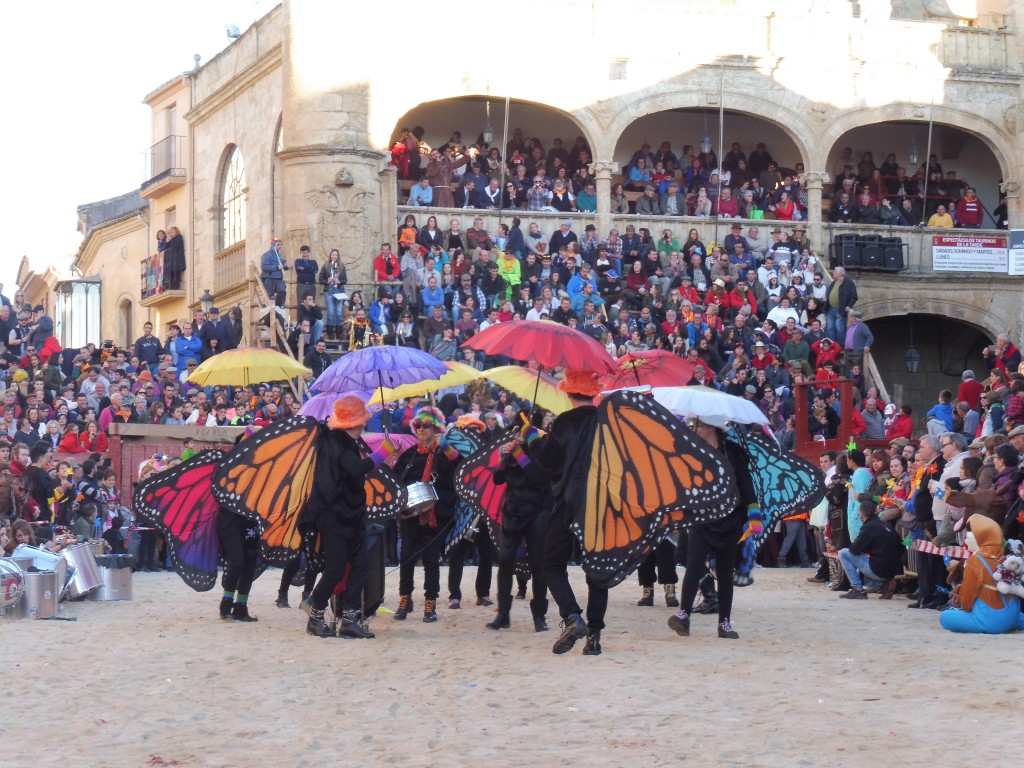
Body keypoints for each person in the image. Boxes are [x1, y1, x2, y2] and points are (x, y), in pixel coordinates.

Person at [299, 395, 397, 638]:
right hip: (332, 514)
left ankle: (350, 620)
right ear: (356, 422)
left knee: (360, 566)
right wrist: (382, 453)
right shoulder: (336, 442)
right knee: (336, 567)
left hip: (350, 515)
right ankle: (316, 612)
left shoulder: (347, 442)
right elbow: (356, 468)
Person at [528, 369, 606, 656]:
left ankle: (572, 616)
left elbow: (546, 462)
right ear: (593, 392)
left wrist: (533, 438)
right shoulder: (605, 421)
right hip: (600, 504)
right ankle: (594, 639)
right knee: (598, 570)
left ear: (569, 392)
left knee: (551, 564)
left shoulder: (564, 422)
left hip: (567, 503)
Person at [669, 418, 761, 640]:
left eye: (698, 426)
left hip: (730, 519)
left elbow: (746, 483)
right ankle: (684, 615)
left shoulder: (733, 453)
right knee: (693, 565)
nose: (694, 429)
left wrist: (754, 515)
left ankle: (724, 624)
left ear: (711, 427)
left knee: (724, 573)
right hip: (702, 518)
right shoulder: (694, 452)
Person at [392, 408, 462, 623]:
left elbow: (462, 469)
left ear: (436, 428)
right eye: (418, 426)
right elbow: (396, 480)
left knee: (431, 559)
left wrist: (447, 448)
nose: (421, 430)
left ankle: (430, 605)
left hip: (436, 515)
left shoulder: (445, 453)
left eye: (426, 426)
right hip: (412, 514)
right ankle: (404, 601)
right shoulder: (410, 455)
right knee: (406, 558)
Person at [488, 417, 552, 632]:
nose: (517, 434)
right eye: (515, 430)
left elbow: (538, 476)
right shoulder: (512, 449)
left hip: (538, 509)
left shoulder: (542, 448)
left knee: (538, 564)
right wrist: (503, 459)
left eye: (522, 430)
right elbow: (498, 480)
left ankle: (539, 616)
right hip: (513, 511)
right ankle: (503, 614)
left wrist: (519, 454)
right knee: (505, 560)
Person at [836, 500, 904, 599]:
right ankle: (887, 582)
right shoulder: (886, 525)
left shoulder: (868, 527)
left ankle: (858, 589)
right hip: (892, 571)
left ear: (862, 514)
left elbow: (854, 550)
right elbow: (902, 548)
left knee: (843, 553)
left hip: (878, 570)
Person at [260, 238, 290, 306]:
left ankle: (278, 306)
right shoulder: (266, 255)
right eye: (278, 244)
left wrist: (287, 267)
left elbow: (281, 267)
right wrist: (276, 267)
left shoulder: (280, 256)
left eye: (281, 245)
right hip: (269, 277)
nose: (280, 246)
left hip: (278, 278)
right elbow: (264, 266)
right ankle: (271, 308)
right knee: (270, 295)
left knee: (282, 292)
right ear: (273, 245)